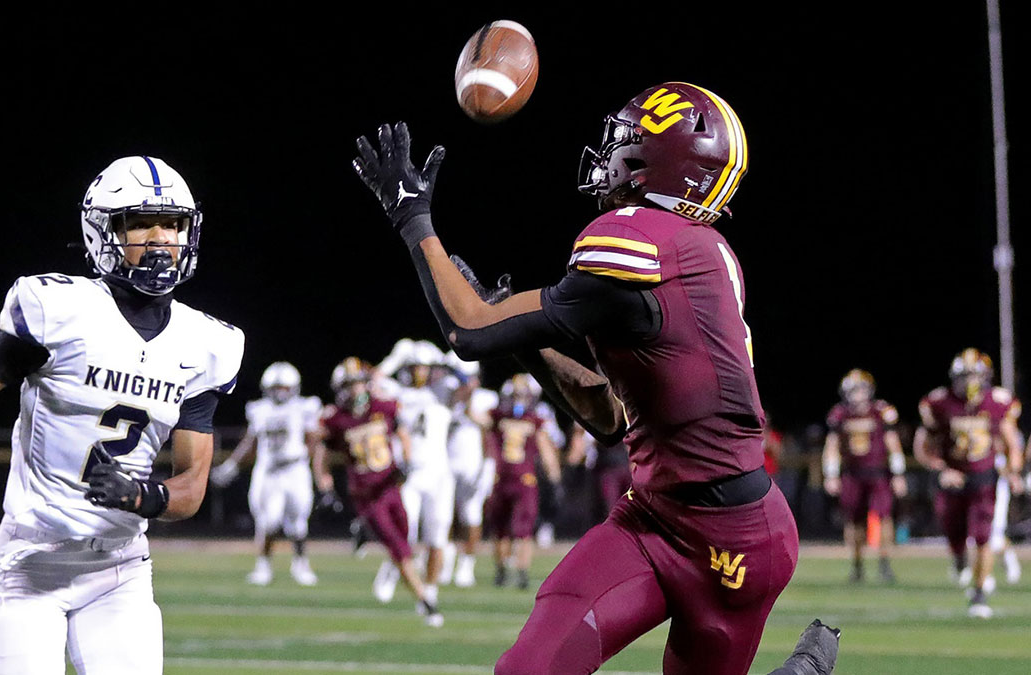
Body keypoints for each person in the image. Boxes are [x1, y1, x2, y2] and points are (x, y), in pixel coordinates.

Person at [352, 82, 837, 673]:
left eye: (625, 145)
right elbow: (612, 419)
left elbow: (467, 330)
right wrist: (532, 350)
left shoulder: (636, 242)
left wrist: (410, 212)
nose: (608, 158)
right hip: (652, 516)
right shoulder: (702, 251)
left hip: (731, 542)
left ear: (656, 162)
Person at [0, 156, 244, 674]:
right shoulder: (59, 310)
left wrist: (143, 495)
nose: (161, 238)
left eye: (174, 224)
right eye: (140, 223)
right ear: (102, 231)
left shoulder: (207, 344)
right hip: (31, 565)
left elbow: (191, 486)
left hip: (120, 568)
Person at [312, 357, 444, 626]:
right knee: (400, 549)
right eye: (349, 385)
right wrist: (325, 487)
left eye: (358, 383)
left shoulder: (383, 406)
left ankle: (365, 532)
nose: (355, 390)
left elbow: (402, 431)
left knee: (406, 537)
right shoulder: (336, 419)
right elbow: (321, 456)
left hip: (391, 486)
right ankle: (425, 601)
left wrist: (406, 459)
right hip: (366, 496)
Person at [914, 348, 1024, 618]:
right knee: (954, 534)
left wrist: (1013, 471)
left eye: (975, 375)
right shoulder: (939, 403)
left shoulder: (998, 402)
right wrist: (940, 468)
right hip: (953, 479)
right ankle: (960, 559)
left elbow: (1011, 442)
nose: (970, 381)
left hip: (984, 478)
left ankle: (978, 592)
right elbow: (923, 445)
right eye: (965, 376)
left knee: (984, 537)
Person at [209, 361, 321, 586]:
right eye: (276, 387)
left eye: (284, 387)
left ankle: (300, 564)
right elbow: (251, 440)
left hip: (295, 469)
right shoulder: (260, 409)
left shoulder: (304, 407)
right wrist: (231, 464)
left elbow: (313, 440)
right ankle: (263, 566)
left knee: (298, 522)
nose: (280, 392)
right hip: (269, 471)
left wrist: (309, 465)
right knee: (268, 522)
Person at [373, 339, 456, 607]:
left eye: (424, 367)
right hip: (408, 473)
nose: (419, 372)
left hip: (440, 473)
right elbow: (373, 382)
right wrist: (394, 359)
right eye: (414, 367)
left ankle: (429, 590)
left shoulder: (445, 391)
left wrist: (448, 357)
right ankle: (390, 569)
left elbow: (471, 379)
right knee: (403, 531)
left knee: (437, 536)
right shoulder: (397, 393)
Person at [822, 369, 907, 583]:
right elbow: (832, 445)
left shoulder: (880, 411)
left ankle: (885, 563)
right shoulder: (840, 414)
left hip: (878, 473)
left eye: (860, 390)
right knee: (853, 520)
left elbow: (892, 444)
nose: (857, 395)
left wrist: (898, 473)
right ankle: (857, 565)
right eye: (853, 391)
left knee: (884, 517)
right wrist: (831, 474)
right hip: (852, 474)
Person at [483, 375, 562, 590]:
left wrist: (554, 476)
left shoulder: (529, 420)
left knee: (523, 530)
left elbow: (545, 449)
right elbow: (546, 450)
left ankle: (519, 571)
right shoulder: (502, 417)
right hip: (508, 480)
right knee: (502, 529)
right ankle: (504, 570)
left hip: (522, 480)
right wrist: (555, 476)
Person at [442, 351, 498, 587]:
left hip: (474, 463)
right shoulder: (443, 396)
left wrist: (488, 466)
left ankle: (467, 564)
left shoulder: (485, 398)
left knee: (471, 515)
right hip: (445, 461)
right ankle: (446, 561)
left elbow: (489, 425)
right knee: (444, 516)